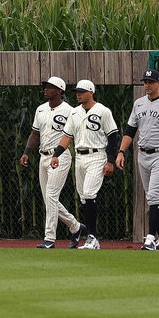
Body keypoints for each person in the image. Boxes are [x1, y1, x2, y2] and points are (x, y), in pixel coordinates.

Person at [116, 69, 159, 251]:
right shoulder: (139, 104)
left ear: (158, 83)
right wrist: (121, 151)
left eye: (151, 82)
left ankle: (150, 238)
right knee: (153, 198)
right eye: (145, 82)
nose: (147, 85)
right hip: (143, 153)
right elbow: (130, 131)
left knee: (154, 194)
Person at [19, 76, 87, 249]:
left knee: (51, 196)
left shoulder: (70, 111)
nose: (46, 89)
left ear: (59, 91)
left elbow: (74, 136)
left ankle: (49, 238)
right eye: (46, 87)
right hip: (43, 156)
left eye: (50, 87)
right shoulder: (40, 110)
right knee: (49, 199)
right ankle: (75, 226)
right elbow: (35, 134)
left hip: (60, 157)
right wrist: (27, 153)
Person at [51, 80, 118, 250]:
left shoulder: (103, 111)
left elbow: (113, 136)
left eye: (81, 91)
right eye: (76, 92)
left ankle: (93, 237)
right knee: (84, 197)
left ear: (91, 92)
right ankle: (91, 237)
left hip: (97, 155)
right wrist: (56, 155)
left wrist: (110, 161)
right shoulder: (74, 113)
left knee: (89, 193)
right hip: (80, 157)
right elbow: (67, 136)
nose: (78, 94)